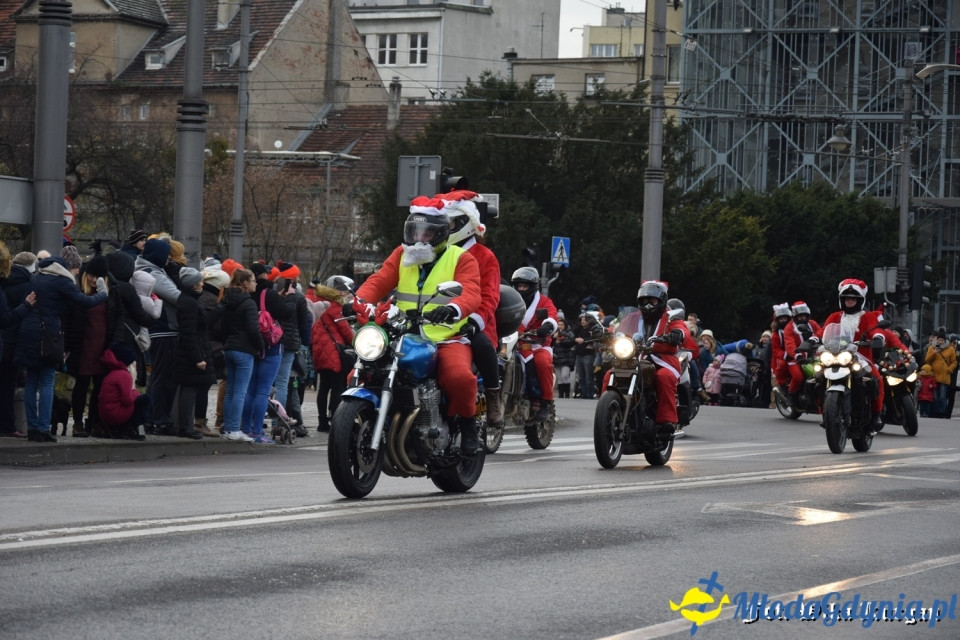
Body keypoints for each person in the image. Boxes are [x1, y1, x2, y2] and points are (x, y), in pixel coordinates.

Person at [353, 195, 483, 455]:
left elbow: (471, 292)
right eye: (414, 232)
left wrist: (452, 308)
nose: (418, 239)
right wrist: (358, 301)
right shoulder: (402, 255)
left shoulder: (461, 258)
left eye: (426, 233)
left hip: (445, 337)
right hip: (402, 333)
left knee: (459, 378)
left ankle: (468, 426)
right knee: (361, 370)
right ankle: (359, 424)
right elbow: (378, 281)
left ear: (441, 235)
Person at [15, 255, 103, 442]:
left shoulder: (36, 277)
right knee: (47, 380)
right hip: (48, 335)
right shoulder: (61, 281)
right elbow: (84, 302)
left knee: (32, 380)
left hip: (28, 332)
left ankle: (31, 427)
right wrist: (103, 294)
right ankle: (43, 427)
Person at [436, 190, 504, 430]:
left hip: (474, 323)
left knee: (482, 344)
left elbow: (489, 297)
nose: (442, 228)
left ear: (464, 224)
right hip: (433, 323)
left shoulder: (485, 256)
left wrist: (474, 320)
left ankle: (494, 397)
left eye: (449, 223)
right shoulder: (435, 253)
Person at [822, 279, 906, 431]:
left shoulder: (867, 317)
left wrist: (878, 338)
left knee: (877, 380)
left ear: (859, 300)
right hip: (836, 356)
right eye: (847, 298)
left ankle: (876, 415)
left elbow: (876, 329)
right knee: (816, 377)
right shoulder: (834, 317)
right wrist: (813, 340)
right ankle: (826, 413)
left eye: (853, 299)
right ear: (842, 300)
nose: (850, 301)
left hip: (862, 357)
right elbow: (822, 331)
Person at [241, 262, 294, 443]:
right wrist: (289, 299)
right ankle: (257, 432)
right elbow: (287, 313)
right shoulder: (268, 294)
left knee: (249, 390)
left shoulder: (244, 295)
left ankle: (245, 428)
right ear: (262, 276)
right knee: (262, 391)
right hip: (271, 346)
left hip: (251, 345)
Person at [135, 238, 181, 435]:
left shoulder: (143, 269)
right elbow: (176, 296)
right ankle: (159, 418)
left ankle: (152, 417)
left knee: (157, 377)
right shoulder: (154, 273)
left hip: (156, 330)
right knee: (163, 378)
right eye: (167, 255)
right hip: (164, 330)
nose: (169, 259)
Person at [62, 255, 112, 438]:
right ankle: (77, 423)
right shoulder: (77, 294)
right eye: (90, 275)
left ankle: (94, 421)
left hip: (101, 347)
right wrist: (66, 346)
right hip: (82, 347)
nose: (93, 279)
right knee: (81, 386)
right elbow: (67, 321)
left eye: (98, 276)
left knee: (99, 387)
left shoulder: (109, 295)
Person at [636, 280, 691, 435]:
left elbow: (682, 329)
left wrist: (677, 334)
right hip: (634, 358)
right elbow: (619, 328)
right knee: (611, 373)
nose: (648, 305)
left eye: (652, 301)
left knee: (664, 377)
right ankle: (610, 409)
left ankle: (666, 420)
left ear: (661, 301)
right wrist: (605, 333)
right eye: (644, 301)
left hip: (662, 360)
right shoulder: (634, 317)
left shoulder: (671, 318)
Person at [219, 269, 263, 441]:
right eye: (253, 280)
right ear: (245, 283)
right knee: (240, 392)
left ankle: (228, 429)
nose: (256, 283)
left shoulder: (227, 300)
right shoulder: (249, 303)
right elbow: (253, 328)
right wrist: (260, 346)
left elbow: (222, 327)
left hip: (229, 347)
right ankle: (234, 429)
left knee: (230, 391)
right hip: (244, 350)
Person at [172, 268, 216, 439]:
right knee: (190, 389)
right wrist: (198, 358)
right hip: (192, 353)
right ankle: (186, 427)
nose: (202, 284)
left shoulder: (189, 300)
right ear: (193, 283)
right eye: (200, 281)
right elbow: (189, 333)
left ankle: (186, 426)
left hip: (192, 350)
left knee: (190, 389)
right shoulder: (190, 303)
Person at [511, 266, 558, 421]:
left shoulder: (544, 301)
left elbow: (551, 315)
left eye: (524, 286)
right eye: (519, 286)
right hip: (514, 344)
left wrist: (548, 325)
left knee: (542, 362)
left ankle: (545, 401)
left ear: (532, 286)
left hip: (539, 345)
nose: (521, 289)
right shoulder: (511, 301)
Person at [0, 252, 39, 438]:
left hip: (4, 339)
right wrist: (26, 306)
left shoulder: (4, 282)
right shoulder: (28, 286)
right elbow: (8, 318)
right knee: (8, 384)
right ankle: (7, 425)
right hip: (12, 341)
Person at [269, 262, 311, 427]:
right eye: (297, 275)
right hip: (290, 343)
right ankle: (279, 420)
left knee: (271, 381)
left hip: (273, 341)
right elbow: (303, 323)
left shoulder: (274, 295)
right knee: (283, 382)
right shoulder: (299, 298)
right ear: (292, 278)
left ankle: (272, 417)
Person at [311, 285, 354, 432]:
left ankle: (322, 422)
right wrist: (356, 341)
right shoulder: (335, 307)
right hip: (334, 352)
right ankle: (335, 421)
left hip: (320, 352)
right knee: (338, 387)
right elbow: (346, 330)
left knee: (323, 388)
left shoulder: (318, 304)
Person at [197, 267, 231, 437]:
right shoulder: (212, 304)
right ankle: (202, 421)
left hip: (207, 347)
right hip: (210, 349)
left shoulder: (205, 299)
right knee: (205, 384)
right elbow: (216, 329)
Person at [98, 343, 151, 440]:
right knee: (145, 400)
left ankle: (125, 428)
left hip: (106, 415)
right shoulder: (124, 375)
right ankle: (136, 429)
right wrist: (134, 391)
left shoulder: (112, 374)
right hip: (116, 414)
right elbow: (127, 400)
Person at [783, 300, 822, 409]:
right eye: (800, 316)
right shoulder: (789, 327)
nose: (802, 318)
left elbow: (822, 331)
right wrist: (797, 355)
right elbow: (789, 344)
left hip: (815, 356)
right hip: (795, 359)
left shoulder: (812, 324)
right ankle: (791, 395)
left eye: (804, 316)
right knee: (798, 376)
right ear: (795, 316)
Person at [924, 327, 956, 418]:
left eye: (942, 340)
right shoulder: (932, 348)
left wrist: (949, 369)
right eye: (939, 340)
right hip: (934, 375)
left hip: (944, 376)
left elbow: (954, 362)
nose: (940, 342)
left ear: (944, 340)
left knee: (942, 396)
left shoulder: (950, 349)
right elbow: (927, 360)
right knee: (934, 396)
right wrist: (934, 352)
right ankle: (935, 412)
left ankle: (942, 412)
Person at [573, 311, 603, 399]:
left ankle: (590, 394)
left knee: (588, 376)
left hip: (588, 354)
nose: (582, 321)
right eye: (581, 320)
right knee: (581, 376)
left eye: (585, 320)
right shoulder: (579, 329)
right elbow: (572, 336)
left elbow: (595, 338)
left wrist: (584, 340)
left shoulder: (592, 329)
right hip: (579, 354)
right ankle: (583, 393)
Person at [769, 303, 793, 405]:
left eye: (785, 318)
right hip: (782, 358)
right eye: (781, 319)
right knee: (781, 366)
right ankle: (781, 388)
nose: (783, 321)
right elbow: (776, 350)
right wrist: (786, 355)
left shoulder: (794, 329)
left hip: (795, 355)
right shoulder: (776, 334)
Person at [553, 317, 576, 399]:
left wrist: (561, 341)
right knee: (559, 377)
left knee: (565, 375)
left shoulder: (569, 333)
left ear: (565, 325)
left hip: (566, 358)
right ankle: (561, 394)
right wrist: (554, 338)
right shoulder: (554, 333)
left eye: (561, 325)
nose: (560, 326)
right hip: (557, 357)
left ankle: (567, 394)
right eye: (558, 325)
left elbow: (571, 342)